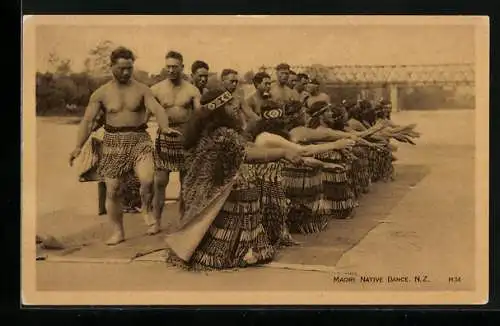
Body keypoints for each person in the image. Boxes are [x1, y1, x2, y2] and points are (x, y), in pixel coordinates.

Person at [164, 88, 305, 270]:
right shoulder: (223, 133)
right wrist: (284, 152)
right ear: (219, 109)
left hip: (198, 188)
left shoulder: (208, 130)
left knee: (246, 182)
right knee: (248, 186)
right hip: (214, 189)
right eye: (230, 104)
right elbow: (248, 153)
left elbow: (245, 146)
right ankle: (237, 251)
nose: (236, 107)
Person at [69, 46, 174, 245]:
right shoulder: (101, 93)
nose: (126, 72)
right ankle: (118, 231)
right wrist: (77, 147)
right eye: (122, 68)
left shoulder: (142, 89)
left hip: (139, 140)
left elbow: (157, 109)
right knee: (113, 190)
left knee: (147, 179)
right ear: (111, 67)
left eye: (129, 68)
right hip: (112, 142)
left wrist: (165, 127)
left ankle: (145, 208)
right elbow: (87, 121)